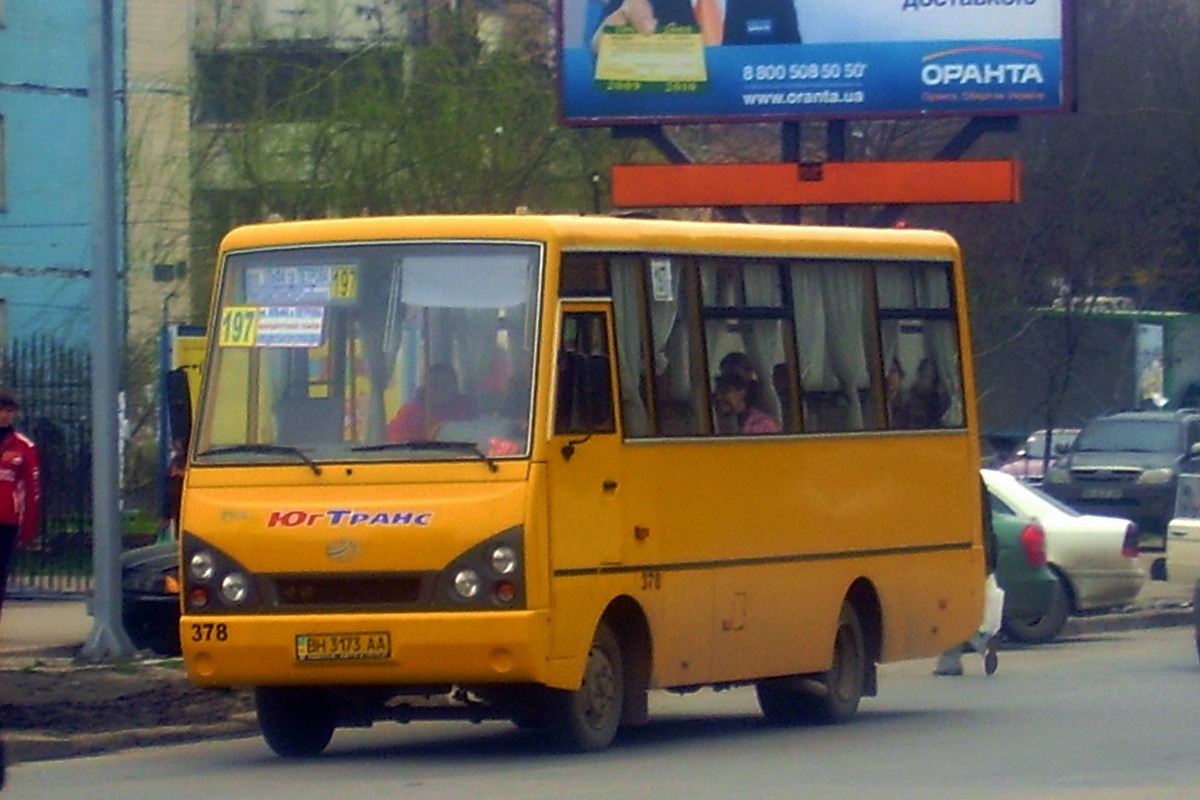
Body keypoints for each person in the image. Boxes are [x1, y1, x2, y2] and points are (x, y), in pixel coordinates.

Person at [934, 478, 1002, 677]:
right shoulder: (976, 481)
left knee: (951, 607)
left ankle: (951, 660)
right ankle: (981, 641)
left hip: (960, 551)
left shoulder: (953, 483)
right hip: (983, 550)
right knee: (969, 603)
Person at [0, 388, 41, 626]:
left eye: (9, 411)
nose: (3, 416)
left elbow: (32, 489)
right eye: (1, 410)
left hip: (6, 521)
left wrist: (28, 529)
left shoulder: (24, 447)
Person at [387, 364, 476, 442]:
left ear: (455, 387)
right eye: (435, 385)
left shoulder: (465, 410)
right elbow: (395, 439)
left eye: (445, 385)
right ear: (426, 387)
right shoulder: (410, 412)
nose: (440, 391)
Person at [713, 373, 780, 434]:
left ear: (742, 391)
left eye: (724, 392)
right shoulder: (721, 425)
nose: (719, 398)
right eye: (716, 395)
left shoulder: (764, 425)